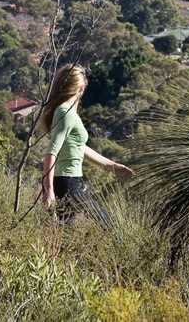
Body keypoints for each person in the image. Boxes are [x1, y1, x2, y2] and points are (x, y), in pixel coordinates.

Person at [40, 65, 134, 222]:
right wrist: (48, 190)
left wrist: (112, 166)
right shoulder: (65, 112)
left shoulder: (66, 112)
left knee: (65, 232)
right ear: (80, 88)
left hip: (68, 181)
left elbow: (80, 148)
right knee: (109, 225)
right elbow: (51, 152)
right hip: (68, 182)